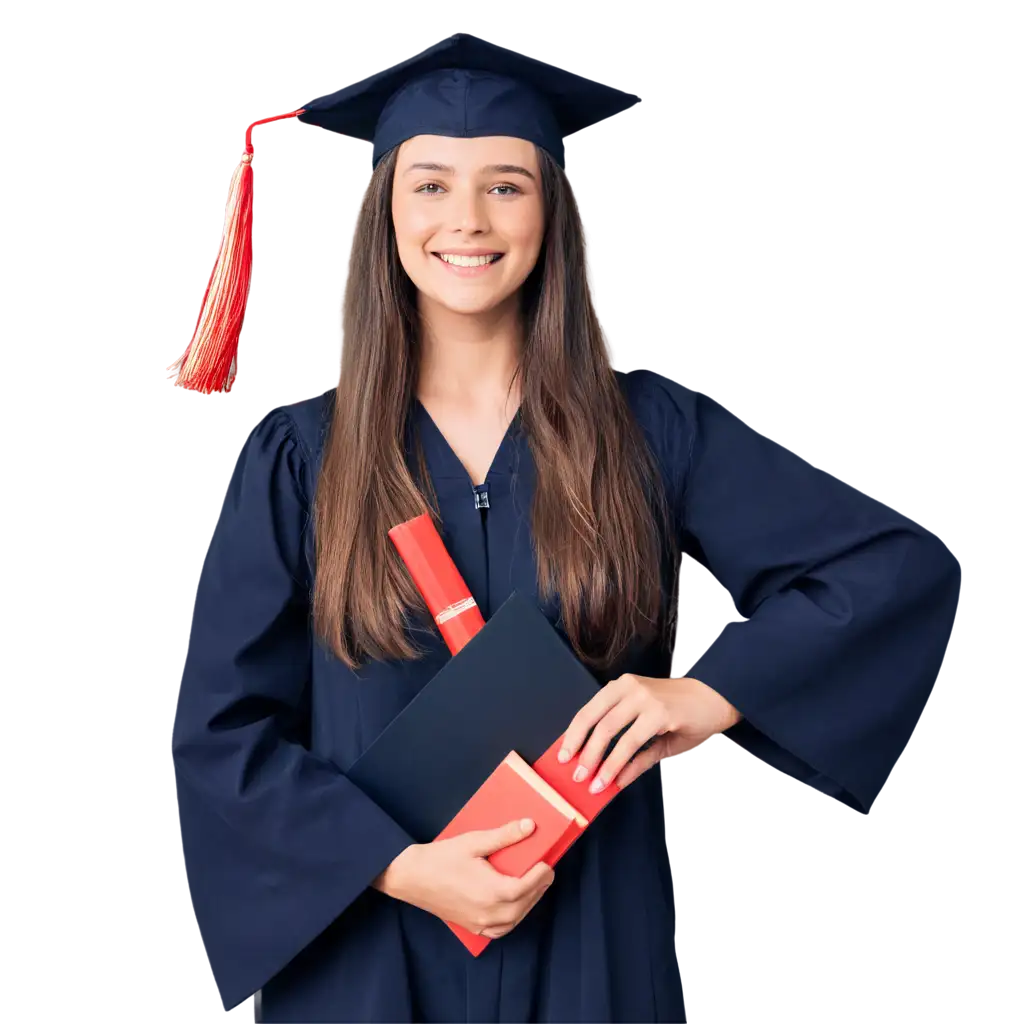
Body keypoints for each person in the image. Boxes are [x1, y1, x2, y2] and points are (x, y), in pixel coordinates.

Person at [167, 33, 965, 1024]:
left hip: (591, 938)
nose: (466, 219)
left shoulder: (646, 427)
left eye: (505, 185)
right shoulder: (301, 456)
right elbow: (221, 734)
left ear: (550, 212)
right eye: (429, 184)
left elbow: (887, 566)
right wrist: (400, 867)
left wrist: (706, 693)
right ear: (383, 214)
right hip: (372, 958)